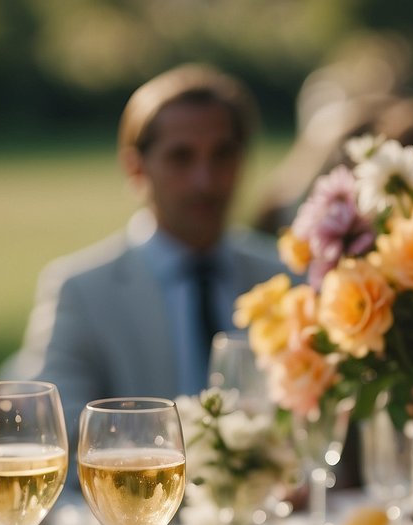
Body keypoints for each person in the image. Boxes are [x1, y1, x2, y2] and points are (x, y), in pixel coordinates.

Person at [19, 64, 282, 444]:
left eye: (222, 154)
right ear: (136, 168)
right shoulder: (81, 291)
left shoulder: (286, 277)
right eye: (181, 157)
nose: (204, 180)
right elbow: (58, 436)